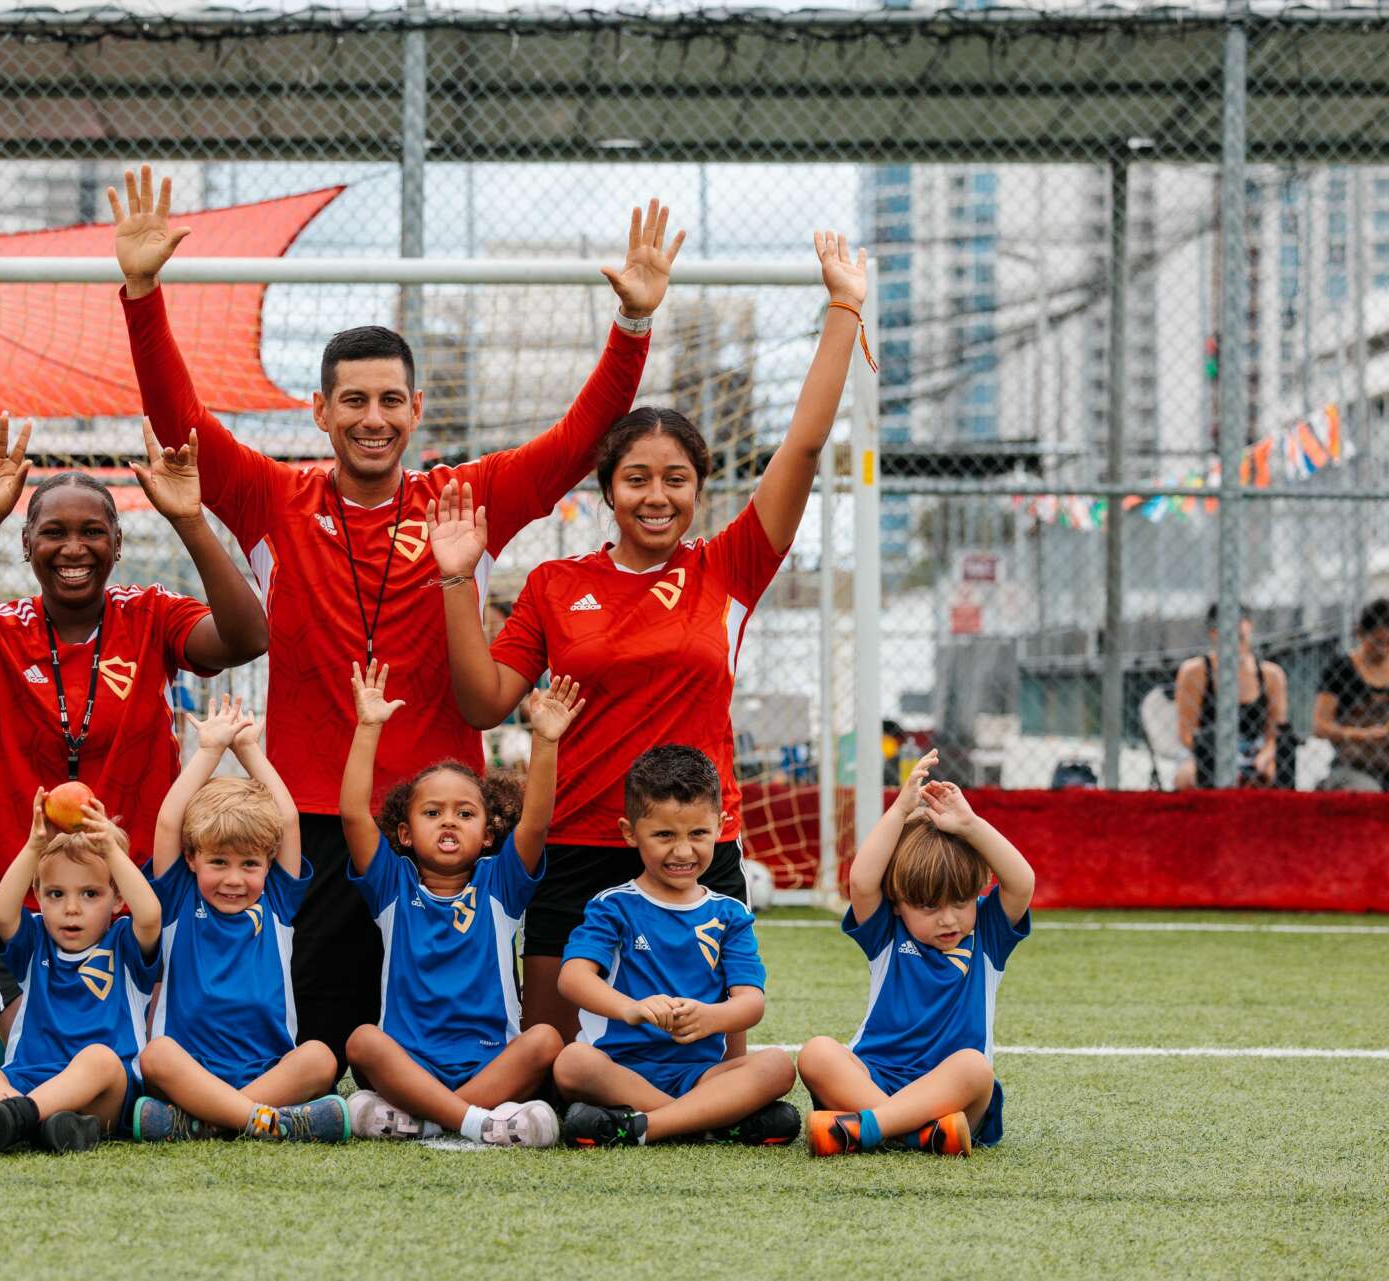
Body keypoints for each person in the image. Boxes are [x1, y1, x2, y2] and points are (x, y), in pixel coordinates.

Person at [111, 163, 682, 1067]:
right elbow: (179, 422)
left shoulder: (467, 497)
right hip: (310, 816)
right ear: (320, 410)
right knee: (317, 1042)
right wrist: (143, 296)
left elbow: (580, 441)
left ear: (416, 409)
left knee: (447, 1034)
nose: (371, 418)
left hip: (438, 821)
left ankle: (456, 1102)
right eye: (353, 400)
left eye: (388, 401)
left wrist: (633, 326)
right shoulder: (271, 499)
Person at [436, 231, 868, 1044]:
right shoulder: (554, 583)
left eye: (677, 479)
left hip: (698, 845)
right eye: (636, 478)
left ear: (700, 489)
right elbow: (482, 701)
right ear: (607, 490)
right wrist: (458, 579)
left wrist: (844, 305)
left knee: (714, 1064)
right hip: (577, 844)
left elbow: (804, 445)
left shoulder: (729, 566)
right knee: (550, 1063)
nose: (657, 495)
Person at [0, 414, 266, 1041]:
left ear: (117, 544)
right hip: (23, 899)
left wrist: (189, 519)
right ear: (27, 544)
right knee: (32, 1046)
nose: (74, 548)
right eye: (54, 532)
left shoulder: (152, 614)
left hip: (137, 896)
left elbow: (246, 637)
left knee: (148, 1057)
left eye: (92, 531)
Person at [338, 663, 584, 1148]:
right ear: (405, 834)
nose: (448, 822)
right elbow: (352, 817)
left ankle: (426, 1117)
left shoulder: (500, 885)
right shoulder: (392, 885)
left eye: (465, 813)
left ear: (488, 834)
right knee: (362, 1041)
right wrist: (368, 727)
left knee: (546, 1041)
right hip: (410, 1063)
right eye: (432, 813)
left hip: (490, 1063)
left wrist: (546, 740)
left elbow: (535, 824)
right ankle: (480, 1121)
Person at [551, 746, 799, 1148]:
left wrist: (711, 1017)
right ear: (630, 833)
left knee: (778, 1066)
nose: (683, 851)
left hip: (700, 1075)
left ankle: (645, 1126)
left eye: (698, 834)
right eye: (664, 835)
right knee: (572, 1063)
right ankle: (709, 1121)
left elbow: (751, 1003)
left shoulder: (730, 914)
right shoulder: (613, 905)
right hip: (620, 1069)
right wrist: (630, 1009)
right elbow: (572, 978)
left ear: (720, 826)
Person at [797, 749, 1034, 1157]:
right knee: (816, 1053)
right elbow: (862, 881)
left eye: (960, 901)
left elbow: (1021, 882)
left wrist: (970, 825)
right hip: (875, 1082)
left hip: (949, 1098)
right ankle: (914, 1134)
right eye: (928, 906)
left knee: (974, 1067)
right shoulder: (887, 933)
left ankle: (871, 1127)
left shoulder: (988, 933)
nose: (948, 919)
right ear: (897, 903)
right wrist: (899, 810)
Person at [133, 697, 347, 1142]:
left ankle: (210, 1121)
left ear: (269, 862)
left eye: (249, 864)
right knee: (156, 1056)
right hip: (190, 1072)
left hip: (267, 1070)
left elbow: (288, 820)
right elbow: (169, 822)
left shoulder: (277, 901)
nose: (234, 879)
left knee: (321, 1057)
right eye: (218, 862)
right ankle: (266, 1121)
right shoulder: (176, 898)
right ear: (191, 858)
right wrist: (209, 751)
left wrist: (249, 749)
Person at [0, 793, 160, 1153]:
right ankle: (43, 1125)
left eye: (90, 894)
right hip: (28, 1081)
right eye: (55, 894)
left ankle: (18, 1117)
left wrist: (111, 851)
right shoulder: (34, 941)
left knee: (99, 1058)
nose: (71, 908)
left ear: (117, 898)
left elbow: (150, 915)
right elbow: (1, 913)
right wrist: (34, 847)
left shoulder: (124, 942)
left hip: (103, 1096)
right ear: (37, 894)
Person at [1173, 605, 1288, 789]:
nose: (1235, 644)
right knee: (1188, 775)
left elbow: (1276, 733)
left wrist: (1263, 758)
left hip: (1254, 752)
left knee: (1273, 773)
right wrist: (1221, 757)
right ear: (1213, 633)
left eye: (1240, 637)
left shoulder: (1271, 674)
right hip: (1206, 753)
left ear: (1250, 627)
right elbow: (1186, 733)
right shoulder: (1194, 672)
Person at [1314, 598, 1389, 791]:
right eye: (1378, 642)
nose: (1383, 650)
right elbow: (1320, 726)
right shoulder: (1340, 669)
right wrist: (1361, 735)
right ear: (1360, 634)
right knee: (1369, 794)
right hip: (1352, 765)